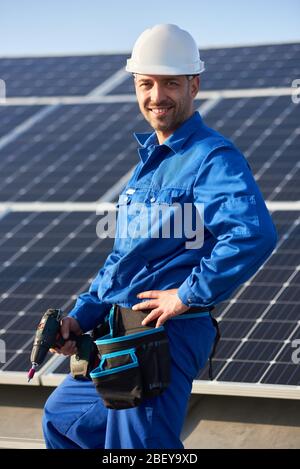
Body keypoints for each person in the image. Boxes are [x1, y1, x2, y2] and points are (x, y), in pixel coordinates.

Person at [42, 24, 277, 449]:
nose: (157, 96)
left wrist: (186, 294)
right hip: (117, 334)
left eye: (171, 83)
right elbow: (124, 262)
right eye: (146, 84)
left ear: (194, 85)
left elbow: (251, 234)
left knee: (142, 451)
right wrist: (82, 316)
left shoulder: (211, 157)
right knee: (63, 420)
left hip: (162, 337)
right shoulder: (148, 163)